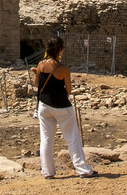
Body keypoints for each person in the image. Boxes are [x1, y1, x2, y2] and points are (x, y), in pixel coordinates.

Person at [31, 36, 96, 179]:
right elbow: (69, 90)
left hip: (43, 106)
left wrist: (36, 73)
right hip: (61, 107)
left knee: (46, 139)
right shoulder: (63, 68)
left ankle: (47, 172)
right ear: (60, 50)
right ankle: (83, 169)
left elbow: (37, 84)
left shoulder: (40, 65)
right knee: (72, 138)